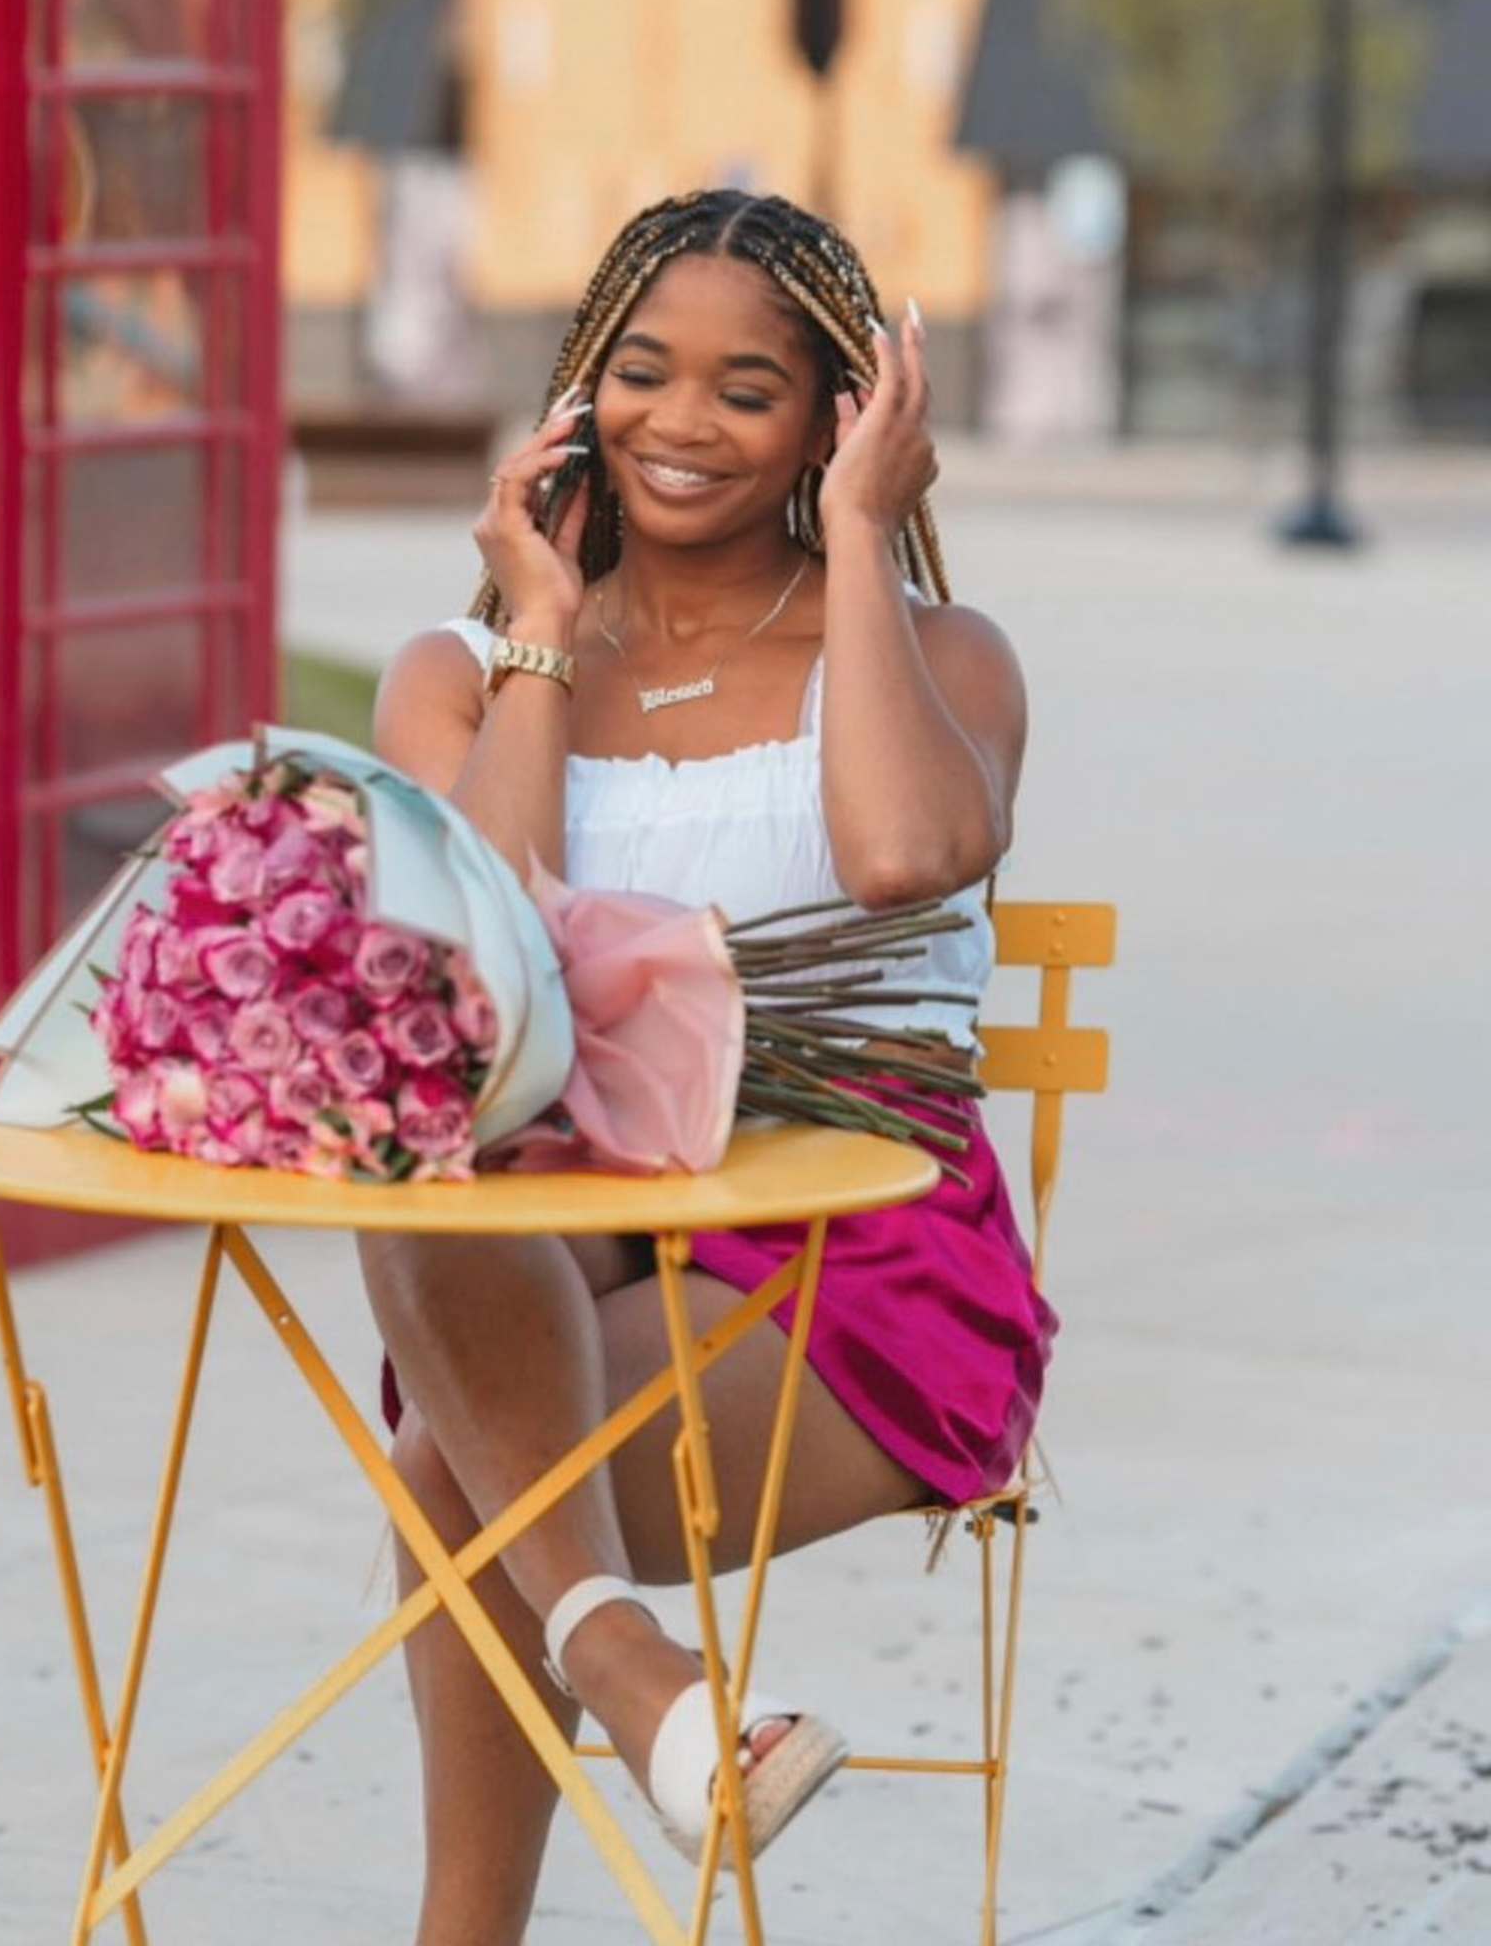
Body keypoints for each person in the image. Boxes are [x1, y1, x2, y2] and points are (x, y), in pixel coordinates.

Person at [358, 189, 1052, 1946]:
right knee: (436, 1159)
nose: (684, 423)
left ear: (839, 417)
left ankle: (493, 1890)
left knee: (463, 1464)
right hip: (565, 1232)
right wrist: (536, 625)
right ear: (584, 392)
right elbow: (485, 975)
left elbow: (903, 852)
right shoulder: (460, 671)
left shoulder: (942, 655)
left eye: (750, 391)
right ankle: (646, 1682)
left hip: (862, 1255)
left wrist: (866, 542)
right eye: (646, 373)